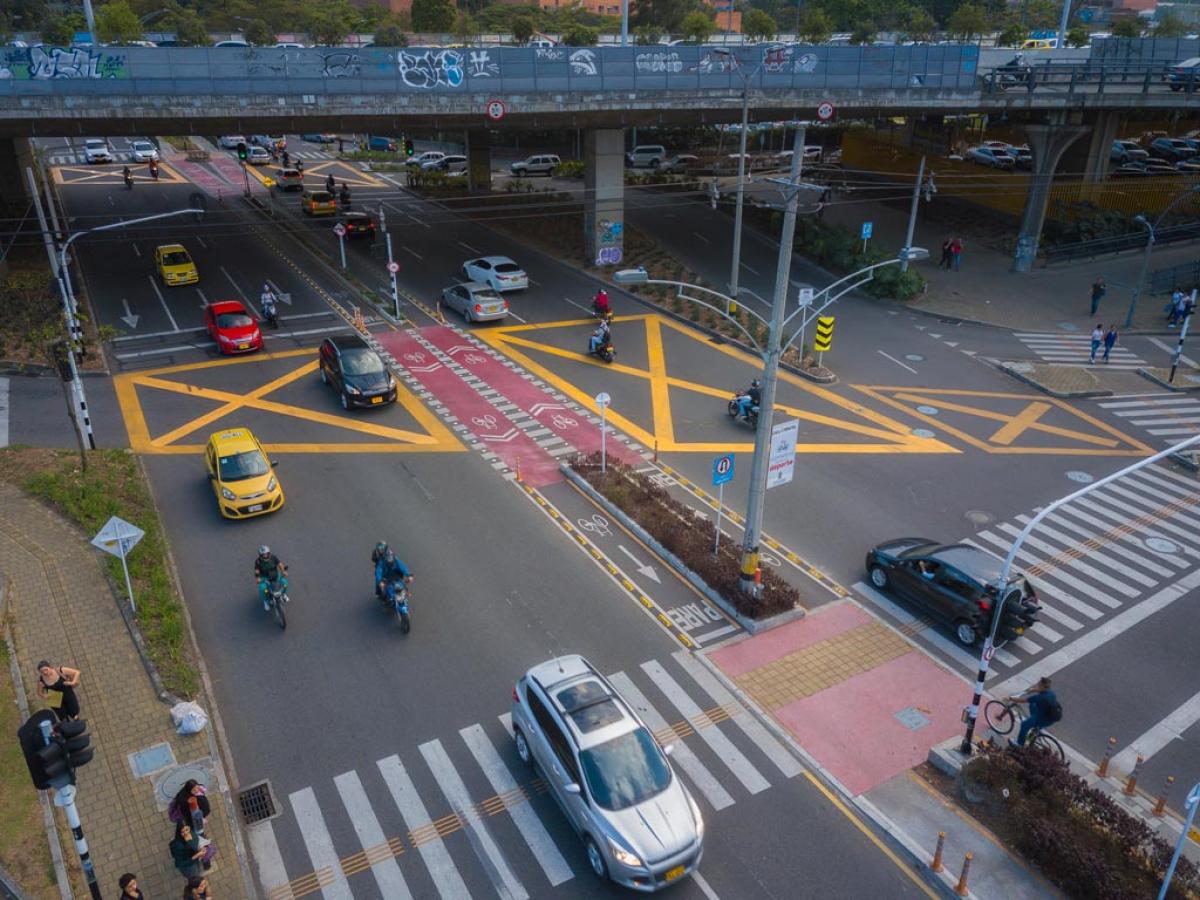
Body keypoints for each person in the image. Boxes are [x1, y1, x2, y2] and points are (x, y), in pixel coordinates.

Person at [1013, 677, 1060, 746]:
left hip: (1043, 719)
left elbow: (1023, 701)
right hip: (1049, 716)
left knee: (1024, 725)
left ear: (1042, 686)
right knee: (1032, 705)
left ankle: (1019, 743)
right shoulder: (1051, 693)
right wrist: (1032, 690)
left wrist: (1012, 699)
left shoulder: (1040, 698)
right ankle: (1036, 728)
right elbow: (1040, 691)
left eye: (1039, 685)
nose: (1038, 685)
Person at [254, 545, 287, 612]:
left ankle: (283, 594)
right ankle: (265, 602)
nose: (265, 555)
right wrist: (257, 578)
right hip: (265, 578)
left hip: (275, 575)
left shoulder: (273, 557)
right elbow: (257, 570)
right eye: (263, 554)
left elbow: (280, 564)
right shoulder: (258, 561)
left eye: (266, 553)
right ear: (261, 555)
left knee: (284, 583)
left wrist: (283, 571)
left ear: (268, 553)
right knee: (262, 589)